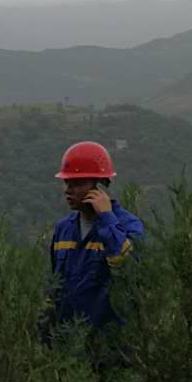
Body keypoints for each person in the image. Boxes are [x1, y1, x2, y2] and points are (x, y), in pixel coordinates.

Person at [49, 141, 144, 331]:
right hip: (68, 344)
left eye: (77, 183)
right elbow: (55, 285)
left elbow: (127, 267)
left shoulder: (128, 226)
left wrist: (107, 219)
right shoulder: (63, 229)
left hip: (111, 347)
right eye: (67, 182)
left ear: (99, 186)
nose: (68, 190)